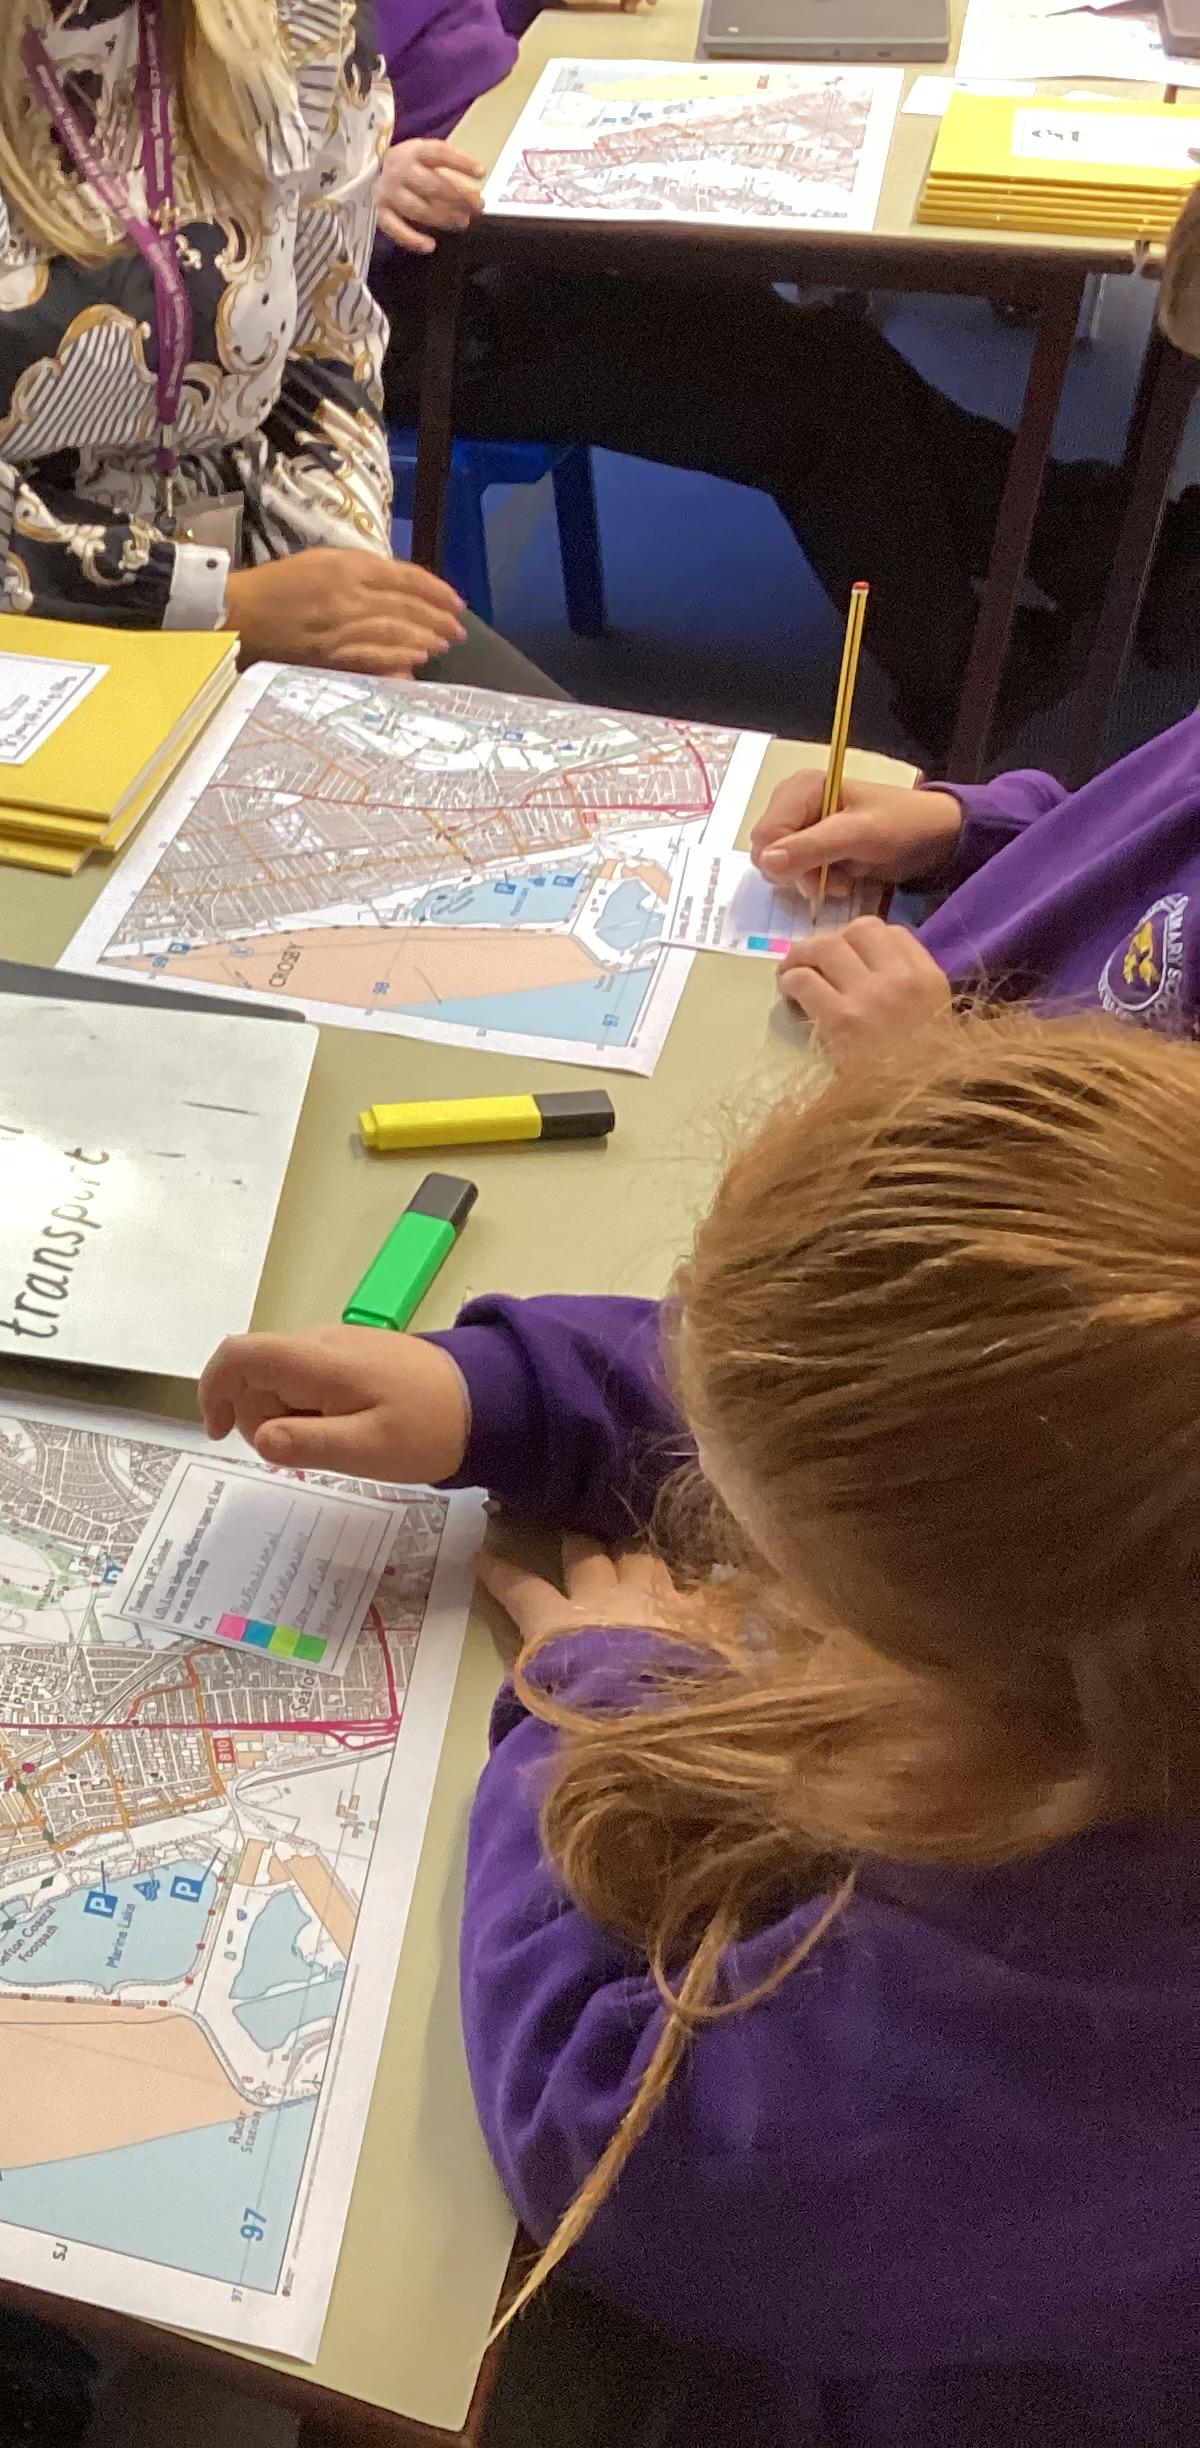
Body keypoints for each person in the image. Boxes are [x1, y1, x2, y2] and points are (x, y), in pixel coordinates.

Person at [197, 1014, 1200, 2443]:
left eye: (771, 1542)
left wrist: (602, 1696)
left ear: (961, 1675)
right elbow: (929, 1390)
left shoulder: (1067, 2045)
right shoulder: (1134, 1540)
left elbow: (617, 2133)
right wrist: (498, 1393)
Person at [369, 0, 1200, 752]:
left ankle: (1111, 552)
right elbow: (283, 207)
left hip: (500, 221)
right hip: (399, 314)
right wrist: (359, 189)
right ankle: (976, 662)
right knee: (814, 401)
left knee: (827, 358)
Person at [0, 0, 550, 693]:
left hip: (233, 567)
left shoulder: (300, 25)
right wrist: (223, 608)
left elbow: (326, 346)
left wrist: (346, 599)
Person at [736, 711, 1200, 1061]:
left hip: (953, 1129)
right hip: (906, 1020)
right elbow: (1117, 820)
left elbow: (1135, 1158)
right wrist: (965, 826)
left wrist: (928, 1069)